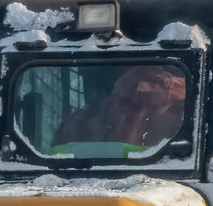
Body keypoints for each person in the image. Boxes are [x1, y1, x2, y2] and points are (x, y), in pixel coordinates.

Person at [54, 65, 187, 151]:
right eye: (133, 85)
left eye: (155, 85)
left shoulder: (177, 129)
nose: (140, 90)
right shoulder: (79, 123)